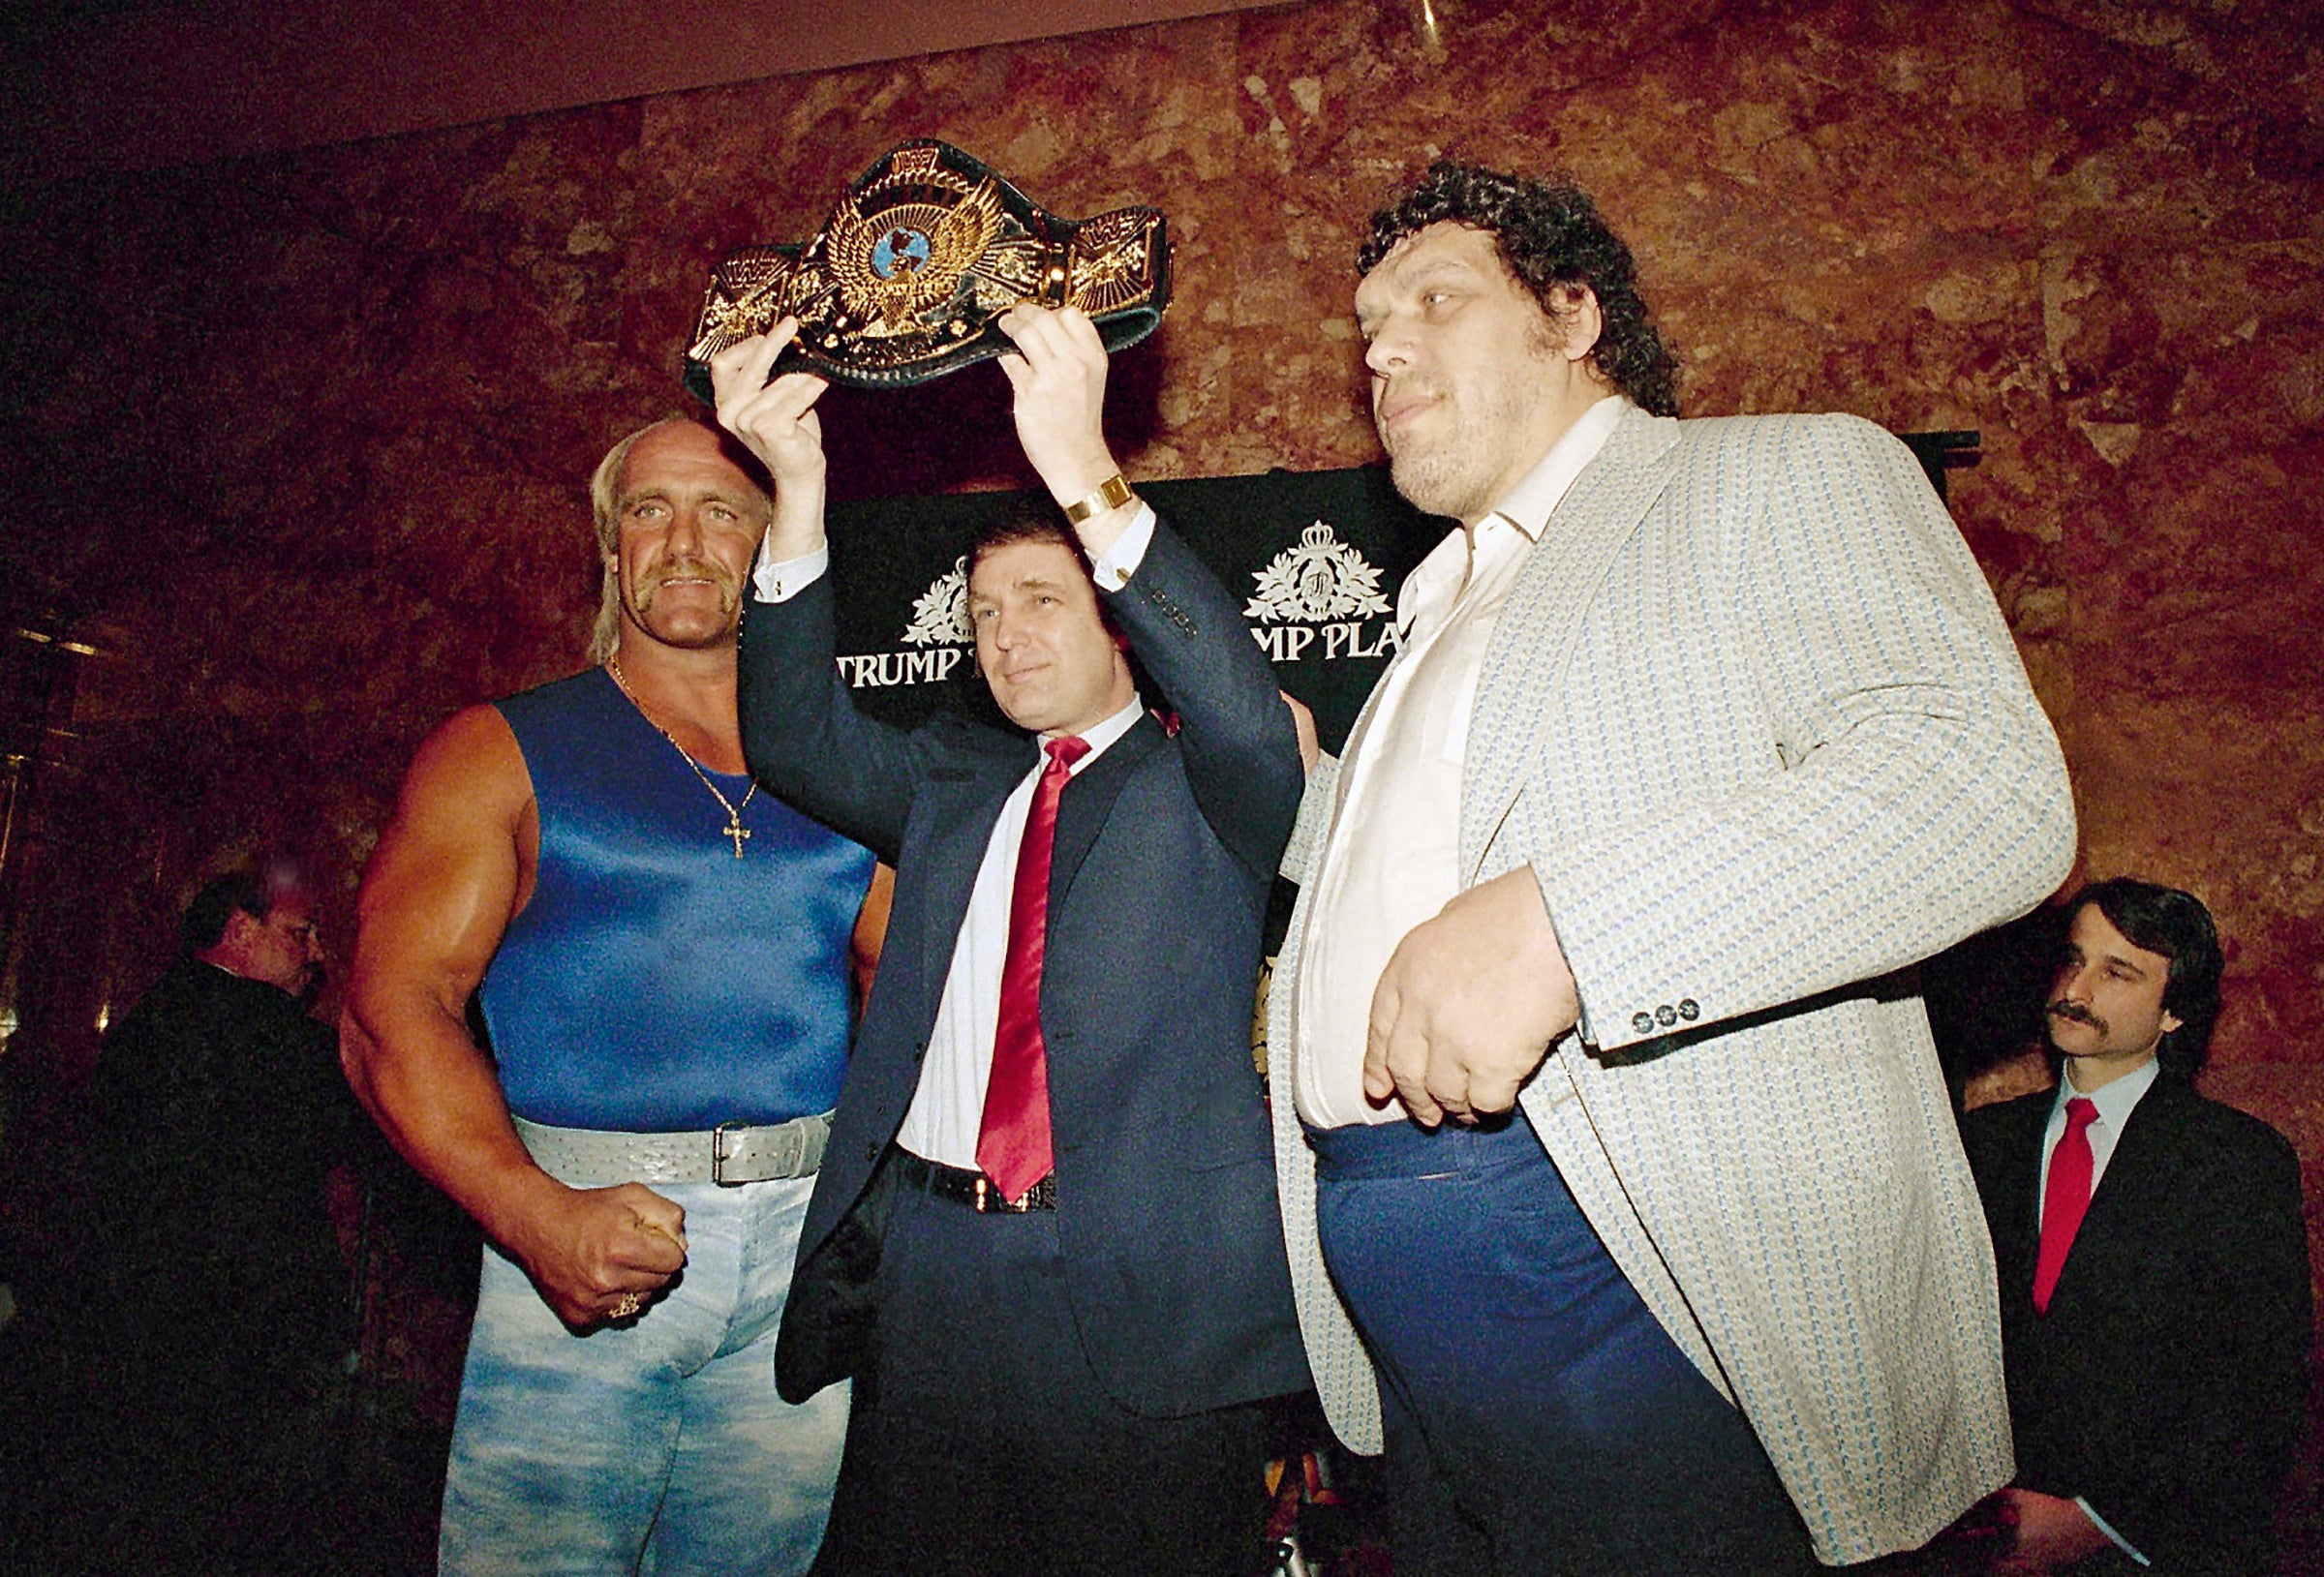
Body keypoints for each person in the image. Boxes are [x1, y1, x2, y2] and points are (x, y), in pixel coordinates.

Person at [1264, 160, 2080, 1573]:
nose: (1380, 347)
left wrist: (1570, 930)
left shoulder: (1774, 474)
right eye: (1366, 324)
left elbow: (1983, 785)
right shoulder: (1431, 602)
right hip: (1416, 1344)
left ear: (1573, 314)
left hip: (1647, 1293)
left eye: (1431, 301)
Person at [708, 303, 1310, 1577]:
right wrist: (798, 487)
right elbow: (795, 743)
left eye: (1044, 600)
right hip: (931, 1276)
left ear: (1120, 628)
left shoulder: (1212, 782)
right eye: (984, 610)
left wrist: (1088, 477)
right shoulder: (952, 782)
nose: (1006, 633)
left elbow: (1252, 722)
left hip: (1136, 1298)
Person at [341, 418, 886, 1575]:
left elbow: (921, 995)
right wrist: (533, 1215)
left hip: (801, 1263)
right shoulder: (499, 749)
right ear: (609, 546)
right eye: (649, 510)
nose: (684, 541)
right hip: (582, 1236)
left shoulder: (847, 766)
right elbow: (393, 1013)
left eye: (722, 512)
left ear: (771, 541)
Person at [1957, 879, 2309, 1575]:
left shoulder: (2239, 1162)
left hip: (2147, 1550)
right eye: (2073, 958)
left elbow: (2261, 1390)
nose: (2075, 988)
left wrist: (2095, 1525)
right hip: (1972, 1537)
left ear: (2175, 1011)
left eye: (2117, 971)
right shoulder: (1977, 1144)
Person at [75, 864, 356, 1573]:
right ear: (239, 931)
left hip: (131, 1341)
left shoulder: (147, 1022)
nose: (319, 953)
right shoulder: (267, 1035)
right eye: (301, 933)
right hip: (245, 1354)